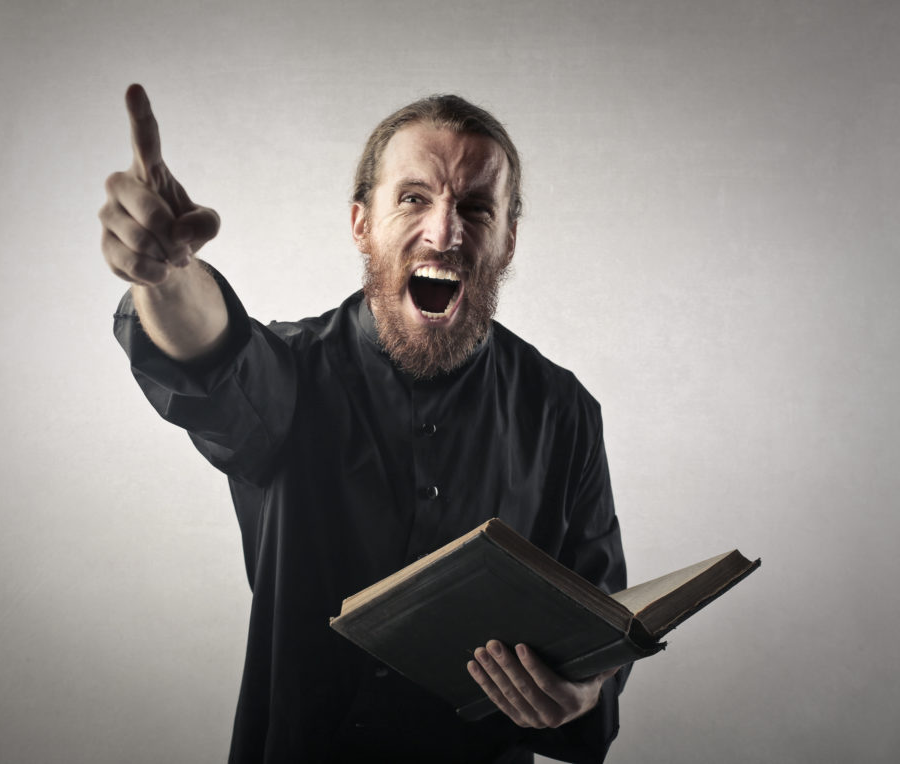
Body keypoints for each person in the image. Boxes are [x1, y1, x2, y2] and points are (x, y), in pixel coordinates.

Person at [101, 84, 629, 763]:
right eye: (414, 198)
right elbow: (215, 358)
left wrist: (583, 692)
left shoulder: (564, 413)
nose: (445, 231)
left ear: (508, 240)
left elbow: (601, 624)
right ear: (361, 224)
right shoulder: (292, 372)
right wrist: (167, 276)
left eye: (474, 206)